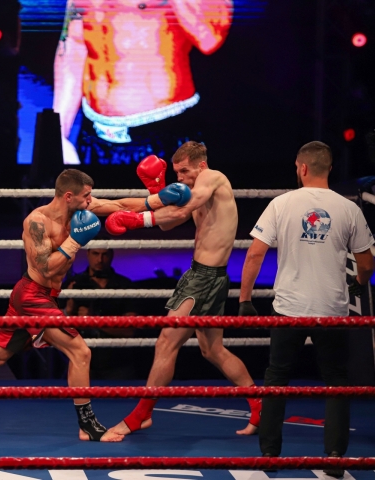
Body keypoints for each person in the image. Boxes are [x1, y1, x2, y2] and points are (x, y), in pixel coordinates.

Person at [0, 169, 190, 441]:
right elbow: (46, 268)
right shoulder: (36, 223)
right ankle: (87, 426)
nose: (90, 201)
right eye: (86, 196)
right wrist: (74, 241)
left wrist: (158, 199)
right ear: (69, 196)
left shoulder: (81, 209)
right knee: (80, 352)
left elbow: (120, 205)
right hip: (32, 296)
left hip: (43, 296)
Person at [103, 142, 261, 436]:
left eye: (184, 171)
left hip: (204, 279)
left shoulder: (212, 178)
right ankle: (260, 407)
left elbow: (179, 211)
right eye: (176, 173)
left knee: (166, 342)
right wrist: (104, 204)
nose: (180, 178)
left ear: (201, 165)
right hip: (206, 275)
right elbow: (168, 223)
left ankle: (141, 415)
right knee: (212, 350)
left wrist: (139, 218)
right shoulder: (193, 188)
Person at [238, 141, 374, 476]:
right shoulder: (349, 209)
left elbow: (255, 254)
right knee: (336, 379)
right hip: (332, 308)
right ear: (329, 169)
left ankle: (270, 452)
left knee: (277, 376)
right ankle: (335, 455)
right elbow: (367, 262)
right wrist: (358, 282)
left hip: (290, 308)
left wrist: (244, 299)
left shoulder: (282, 203)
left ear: (302, 168)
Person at [53, 0, 232, 165]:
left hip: (164, 134)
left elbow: (210, 38)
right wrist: (58, 132)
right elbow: (74, 44)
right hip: (94, 135)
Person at [64, 247, 140, 379]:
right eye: (95, 254)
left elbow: (130, 330)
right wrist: (68, 310)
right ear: (88, 254)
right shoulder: (73, 284)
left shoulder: (125, 285)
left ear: (112, 255)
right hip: (80, 362)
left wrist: (93, 320)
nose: (100, 260)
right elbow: (55, 329)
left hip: (118, 364)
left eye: (105, 254)